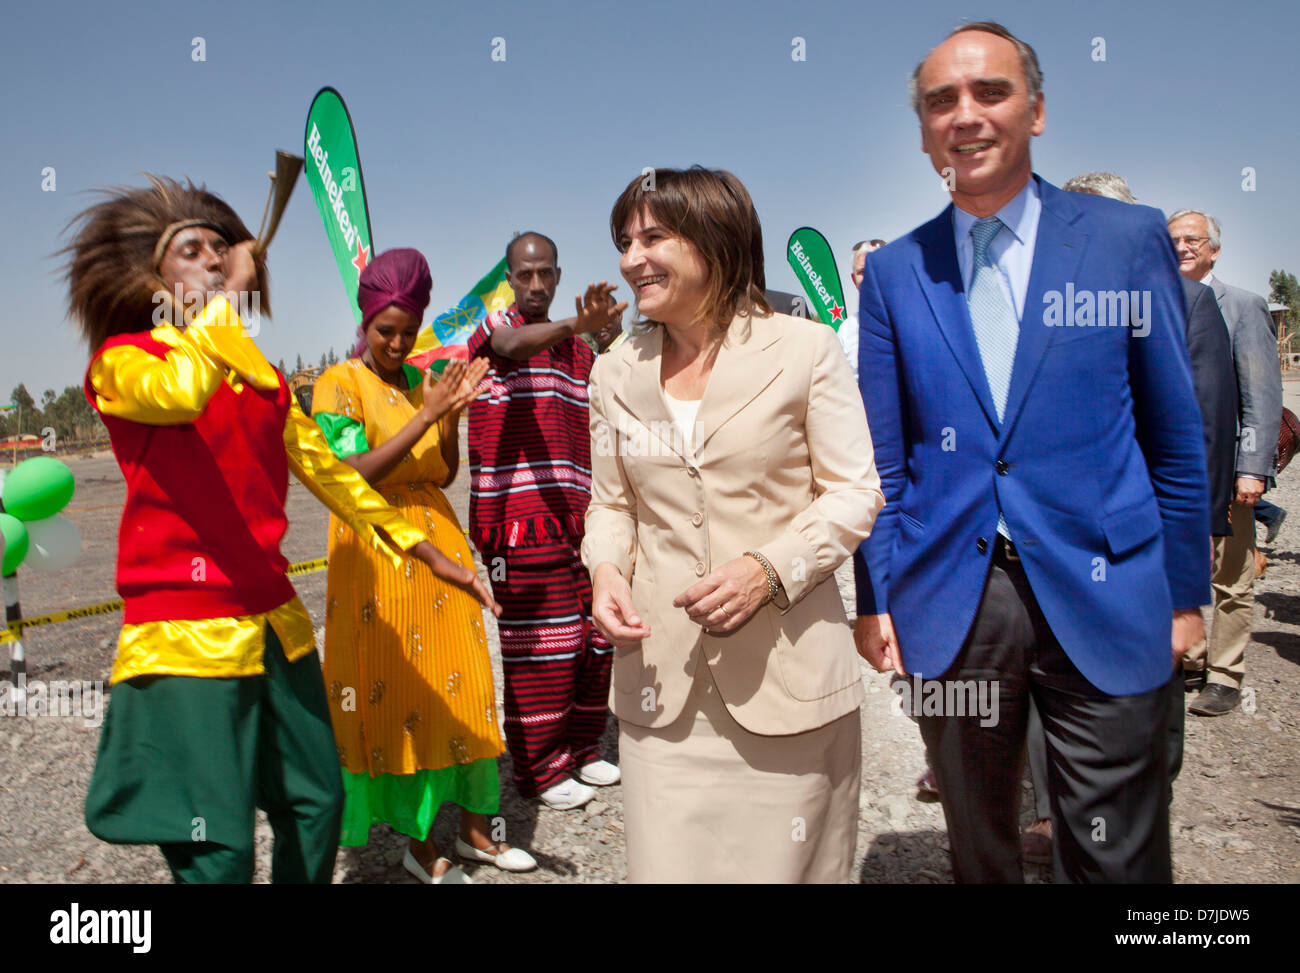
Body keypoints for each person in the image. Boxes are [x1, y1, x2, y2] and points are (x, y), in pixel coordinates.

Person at [853, 23, 1208, 883]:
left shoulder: (1125, 239)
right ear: (924, 128)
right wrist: (876, 595)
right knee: (980, 844)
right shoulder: (899, 272)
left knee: (1118, 852)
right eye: (941, 101)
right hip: (953, 600)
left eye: (990, 92)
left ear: (1038, 109)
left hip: (1110, 587)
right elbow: (884, 462)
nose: (964, 115)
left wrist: (1185, 592)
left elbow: (1173, 434)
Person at [67, 176, 491, 883]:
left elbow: (331, 472)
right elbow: (181, 394)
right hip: (183, 634)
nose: (213, 258)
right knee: (219, 846)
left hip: (275, 622)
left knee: (316, 799)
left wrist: (418, 547)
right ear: (152, 275)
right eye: (191, 249)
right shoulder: (125, 361)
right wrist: (225, 302)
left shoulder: (260, 373)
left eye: (219, 247)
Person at [586, 166, 884, 883]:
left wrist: (768, 570)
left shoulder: (805, 349)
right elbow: (612, 503)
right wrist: (603, 573)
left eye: (653, 236)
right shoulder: (615, 369)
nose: (631, 259)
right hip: (662, 688)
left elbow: (854, 491)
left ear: (716, 239)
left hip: (788, 685)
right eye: (625, 240)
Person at [1017, 172, 1237, 866]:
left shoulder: (1190, 301)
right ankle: (1059, 822)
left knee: (1145, 710)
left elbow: (1193, 432)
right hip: (1052, 546)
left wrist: (1188, 555)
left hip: (1139, 545)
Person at [313, 248, 536, 883]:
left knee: (462, 688)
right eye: (387, 331)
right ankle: (420, 843)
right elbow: (352, 475)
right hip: (377, 550)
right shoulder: (338, 384)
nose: (398, 342)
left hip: (439, 539)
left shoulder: (420, 380)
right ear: (365, 322)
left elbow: (440, 473)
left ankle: (473, 831)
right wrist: (429, 416)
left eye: (408, 332)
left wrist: (450, 422)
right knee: (400, 697)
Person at [465, 233, 625, 809]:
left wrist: (608, 337)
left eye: (545, 274)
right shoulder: (491, 333)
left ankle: (581, 749)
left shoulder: (579, 354)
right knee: (542, 646)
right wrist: (575, 327)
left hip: (578, 519)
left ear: (558, 276)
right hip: (518, 524)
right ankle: (539, 770)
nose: (535, 285)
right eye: (524, 275)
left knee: (595, 639)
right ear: (509, 277)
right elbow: (515, 342)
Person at [1168, 208, 1283, 715]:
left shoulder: (1243, 305)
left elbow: (1261, 395)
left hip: (1230, 470)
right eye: (1174, 240)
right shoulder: (1157, 303)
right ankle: (1188, 660)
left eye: (1194, 240)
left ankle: (1226, 673)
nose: (1184, 247)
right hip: (1175, 472)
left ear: (1215, 248)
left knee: (1232, 575)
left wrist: (1252, 467)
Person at [836, 239, 886, 382]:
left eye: (876, 268)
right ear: (853, 279)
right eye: (862, 272)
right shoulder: (845, 331)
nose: (869, 276)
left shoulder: (914, 319)